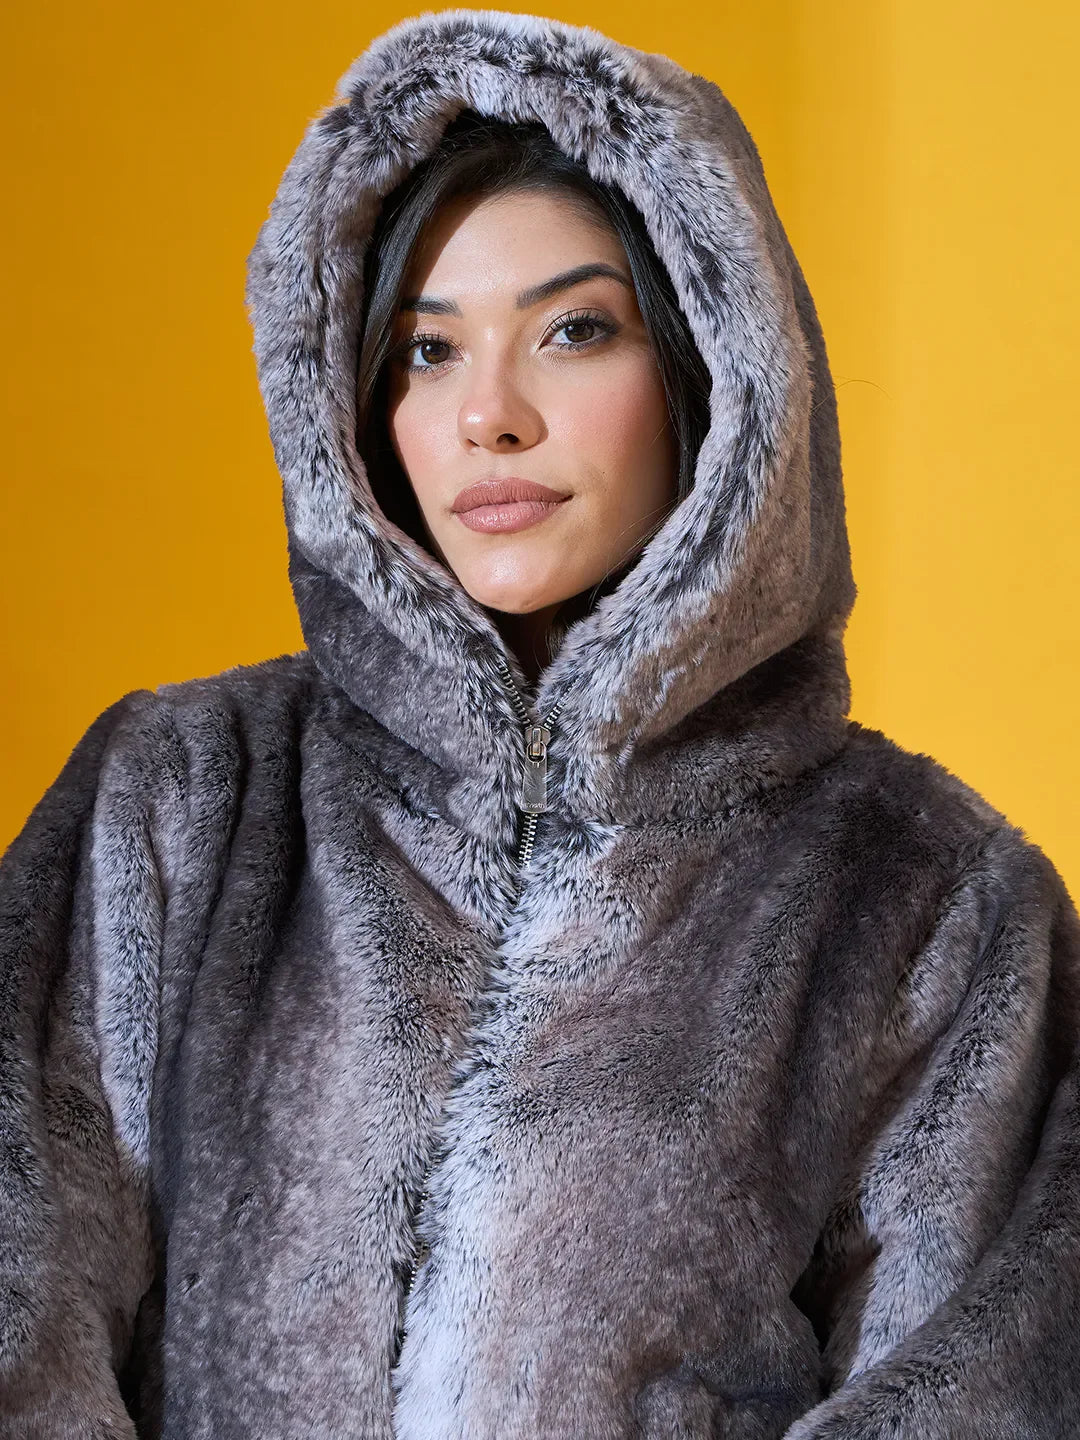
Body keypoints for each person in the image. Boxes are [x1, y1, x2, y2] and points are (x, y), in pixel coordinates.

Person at [1, 8, 1077, 1438]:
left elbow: (973, 1390)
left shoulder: (933, 899)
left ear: (711, 369)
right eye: (426, 351)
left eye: (574, 331)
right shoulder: (184, 799)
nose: (488, 417)